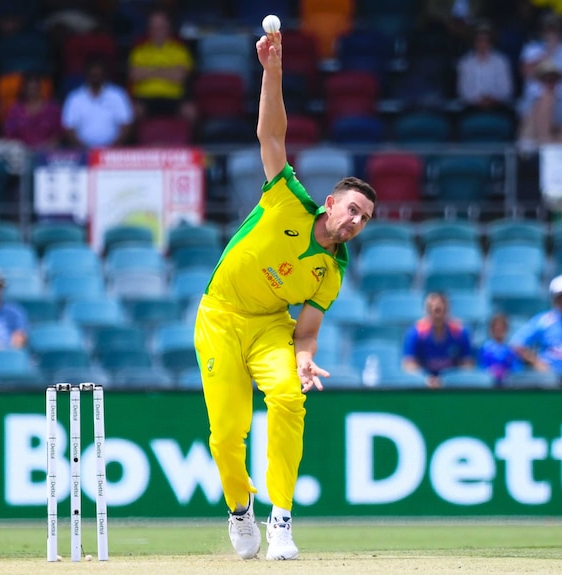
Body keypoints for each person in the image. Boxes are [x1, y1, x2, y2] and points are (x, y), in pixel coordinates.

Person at [193, 30, 376, 561]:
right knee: (226, 435)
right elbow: (271, 134)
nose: (355, 221)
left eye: (364, 219)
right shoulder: (287, 200)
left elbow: (308, 331)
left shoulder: (333, 270)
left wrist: (305, 360)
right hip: (220, 318)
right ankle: (239, 511)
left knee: (290, 398)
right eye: (351, 210)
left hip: (270, 327)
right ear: (329, 203)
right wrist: (272, 70)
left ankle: (281, 520)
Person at [127, 8, 196, 123]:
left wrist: (149, 71)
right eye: (154, 28)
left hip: (174, 97)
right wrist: (167, 71)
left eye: (161, 27)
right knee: (133, 112)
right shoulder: (139, 51)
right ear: (149, 30)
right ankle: (137, 142)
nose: (157, 31)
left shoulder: (180, 50)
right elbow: (134, 75)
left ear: (168, 29)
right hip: (145, 98)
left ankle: (190, 141)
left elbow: (179, 76)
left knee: (191, 111)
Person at [401, 292, 475, 389]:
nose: (437, 315)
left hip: (452, 388)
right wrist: (425, 379)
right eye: (432, 310)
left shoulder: (460, 332)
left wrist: (449, 380)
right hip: (424, 387)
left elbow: (467, 364)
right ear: (427, 311)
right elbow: (408, 364)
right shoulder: (415, 333)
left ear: (447, 310)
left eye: (440, 310)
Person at [61, 57, 134, 149]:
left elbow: (126, 124)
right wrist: (83, 149)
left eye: (98, 74)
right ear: (86, 74)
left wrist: (115, 146)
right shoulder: (74, 98)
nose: (95, 77)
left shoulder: (118, 95)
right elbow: (69, 128)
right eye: (93, 75)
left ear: (105, 74)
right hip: (82, 152)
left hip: (113, 151)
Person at [456, 22, 515, 113]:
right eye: (479, 40)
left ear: (491, 41)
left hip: (497, 105)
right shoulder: (465, 62)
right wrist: (478, 100)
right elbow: (463, 90)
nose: (482, 43)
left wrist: (492, 100)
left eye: (486, 40)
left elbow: (507, 89)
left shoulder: (501, 61)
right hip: (472, 106)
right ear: (474, 41)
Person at [2, 72, 64, 150]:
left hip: (48, 153)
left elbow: (59, 134)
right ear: (23, 89)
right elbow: (9, 135)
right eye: (29, 88)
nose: (32, 92)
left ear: (40, 88)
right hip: (21, 154)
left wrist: (45, 147)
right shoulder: (15, 110)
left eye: (34, 88)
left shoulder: (52, 109)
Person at [478, 312, 520, 386]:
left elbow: (517, 368)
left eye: (501, 328)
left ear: (506, 329)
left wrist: (507, 374)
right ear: (491, 329)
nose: (499, 331)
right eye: (496, 328)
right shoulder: (485, 349)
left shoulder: (511, 349)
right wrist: (492, 373)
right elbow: (481, 368)